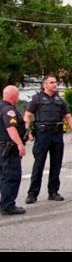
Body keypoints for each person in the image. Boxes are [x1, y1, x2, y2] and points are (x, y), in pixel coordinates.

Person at [24, 75, 72, 204]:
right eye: (52, 82)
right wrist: (27, 132)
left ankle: (53, 192)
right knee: (39, 164)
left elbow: (68, 117)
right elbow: (27, 115)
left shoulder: (60, 100)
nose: (55, 84)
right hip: (42, 135)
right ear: (45, 85)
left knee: (56, 164)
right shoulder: (37, 99)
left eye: (55, 82)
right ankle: (32, 194)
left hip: (56, 135)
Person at [0, 86, 27, 215]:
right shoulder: (8, 110)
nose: (18, 98)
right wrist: (19, 143)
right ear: (13, 96)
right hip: (8, 148)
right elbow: (11, 128)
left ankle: (4, 203)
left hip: (2, 147)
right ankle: (8, 205)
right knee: (11, 176)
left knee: (3, 176)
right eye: (17, 95)